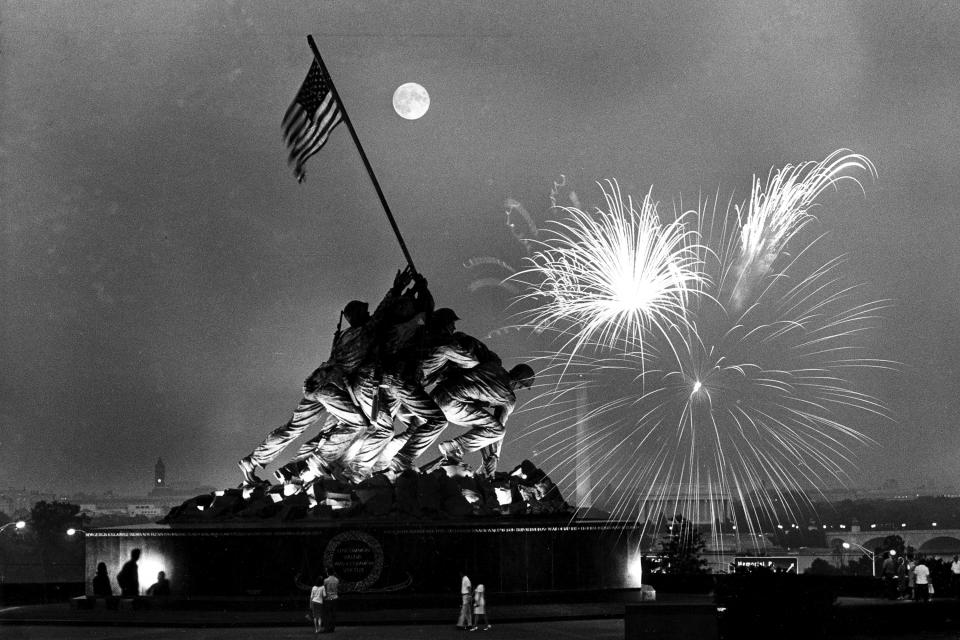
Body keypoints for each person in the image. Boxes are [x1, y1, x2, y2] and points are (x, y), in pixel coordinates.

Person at [434, 362, 536, 477]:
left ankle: (455, 448)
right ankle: (453, 448)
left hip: (437, 394)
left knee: (485, 424)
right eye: (521, 387)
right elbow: (498, 426)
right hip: (451, 404)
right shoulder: (508, 397)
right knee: (498, 431)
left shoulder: (492, 367)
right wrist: (494, 456)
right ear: (519, 384)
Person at [322, 568, 340, 632]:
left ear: (328, 573)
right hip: (335, 598)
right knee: (333, 614)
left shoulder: (326, 580)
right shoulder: (337, 580)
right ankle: (332, 628)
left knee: (326, 614)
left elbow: (324, 589)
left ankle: (326, 628)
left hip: (328, 599)